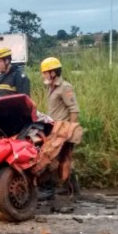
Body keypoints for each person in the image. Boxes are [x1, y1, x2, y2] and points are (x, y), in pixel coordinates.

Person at [41, 57, 81, 196]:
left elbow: (74, 109)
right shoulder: (51, 87)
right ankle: (70, 188)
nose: (44, 75)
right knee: (62, 158)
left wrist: (70, 129)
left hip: (63, 129)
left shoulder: (65, 87)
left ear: (53, 73)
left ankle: (55, 189)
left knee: (57, 158)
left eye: (46, 72)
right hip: (55, 128)